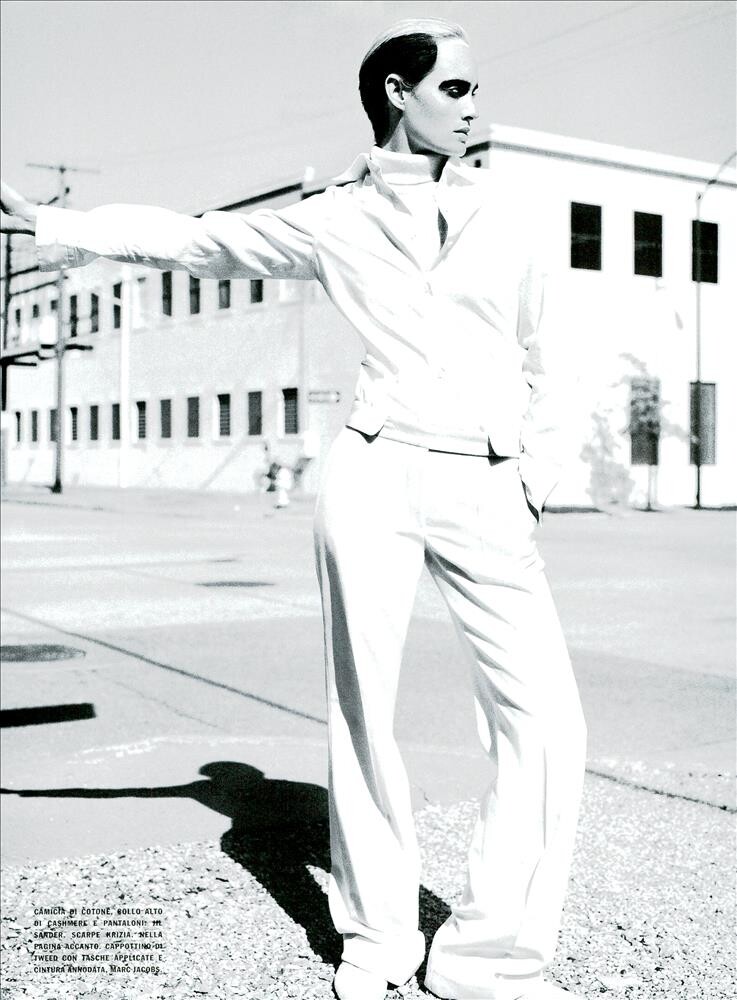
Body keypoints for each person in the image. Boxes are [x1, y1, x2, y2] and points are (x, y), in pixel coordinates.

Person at [0, 17, 587, 1000]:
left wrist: (531, 480)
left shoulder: (512, 211)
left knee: (546, 724)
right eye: (454, 89)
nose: (473, 106)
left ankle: (490, 959)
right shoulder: (334, 218)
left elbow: (553, 359)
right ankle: (378, 942)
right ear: (397, 93)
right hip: (374, 473)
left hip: (486, 481)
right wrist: (58, 227)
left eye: (473, 89)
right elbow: (195, 239)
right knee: (363, 715)